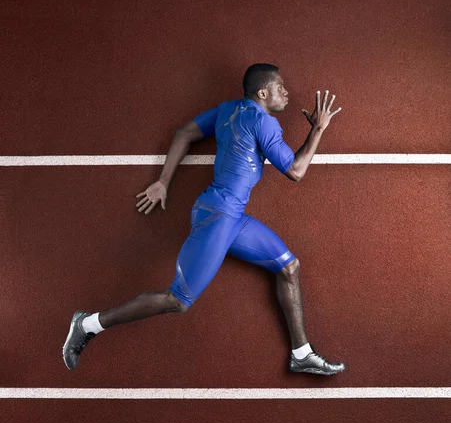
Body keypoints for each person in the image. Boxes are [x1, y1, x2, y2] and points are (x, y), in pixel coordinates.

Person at [63, 63, 345, 375]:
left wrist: (163, 181)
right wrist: (318, 129)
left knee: (289, 267)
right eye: (281, 87)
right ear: (263, 93)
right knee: (178, 300)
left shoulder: (228, 110)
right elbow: (295, 171)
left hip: (230, 216)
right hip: (219, 217)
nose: (287, 92)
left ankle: (301, 354)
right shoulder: (264, 122)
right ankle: (87, 323)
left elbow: (184, 133)